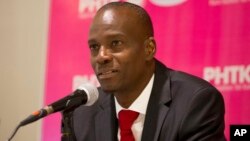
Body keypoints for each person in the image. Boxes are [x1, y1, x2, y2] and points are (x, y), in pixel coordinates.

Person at [72, 1, 226, 141]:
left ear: (149, 49)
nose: (101, 57)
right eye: (94, 47)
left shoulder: (194, 102)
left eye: (116, 43)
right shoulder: (81, 115)